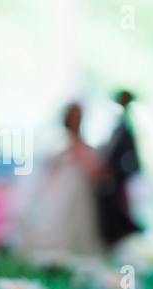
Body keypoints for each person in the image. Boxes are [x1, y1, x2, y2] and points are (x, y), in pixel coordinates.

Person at [16, 103, 107, 266]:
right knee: (57, 223)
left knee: (79, 223)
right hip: (60, 193)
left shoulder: (84, 146)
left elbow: (96, 169)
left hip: (79, 193)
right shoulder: (59, 143)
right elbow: (48, 170)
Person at [95, 90, 142, 246]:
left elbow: (132, 159)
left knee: (118, 211)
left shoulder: (126, 128)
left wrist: (118, 174)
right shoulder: (116, 126)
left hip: (118, 179)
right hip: (113, 178)